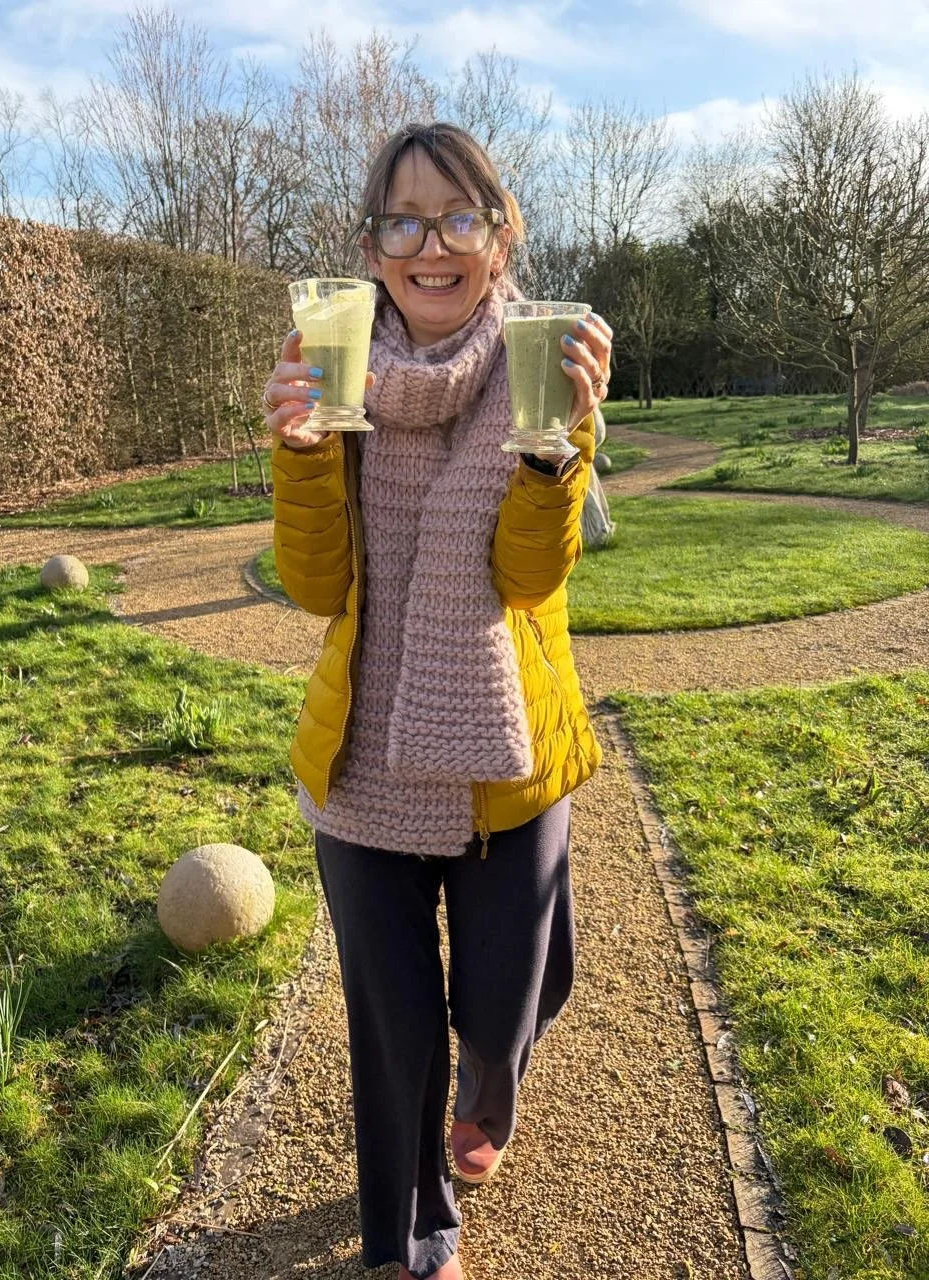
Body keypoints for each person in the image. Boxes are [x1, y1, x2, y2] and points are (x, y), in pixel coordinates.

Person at [261, 122, 612, 1280]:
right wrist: (302, 454)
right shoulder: (334, 365)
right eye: (404, 222)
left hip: (507, 756)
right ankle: (419, 1234)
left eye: (459, 217)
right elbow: (318, 588)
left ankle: (492, 1083)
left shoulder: (542, 364)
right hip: (365, 761)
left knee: (514, 995)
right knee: (395, 1025)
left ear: (500, 234)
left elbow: (529, 577)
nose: (431, 245)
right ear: (371, 246)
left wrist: (553, 450)